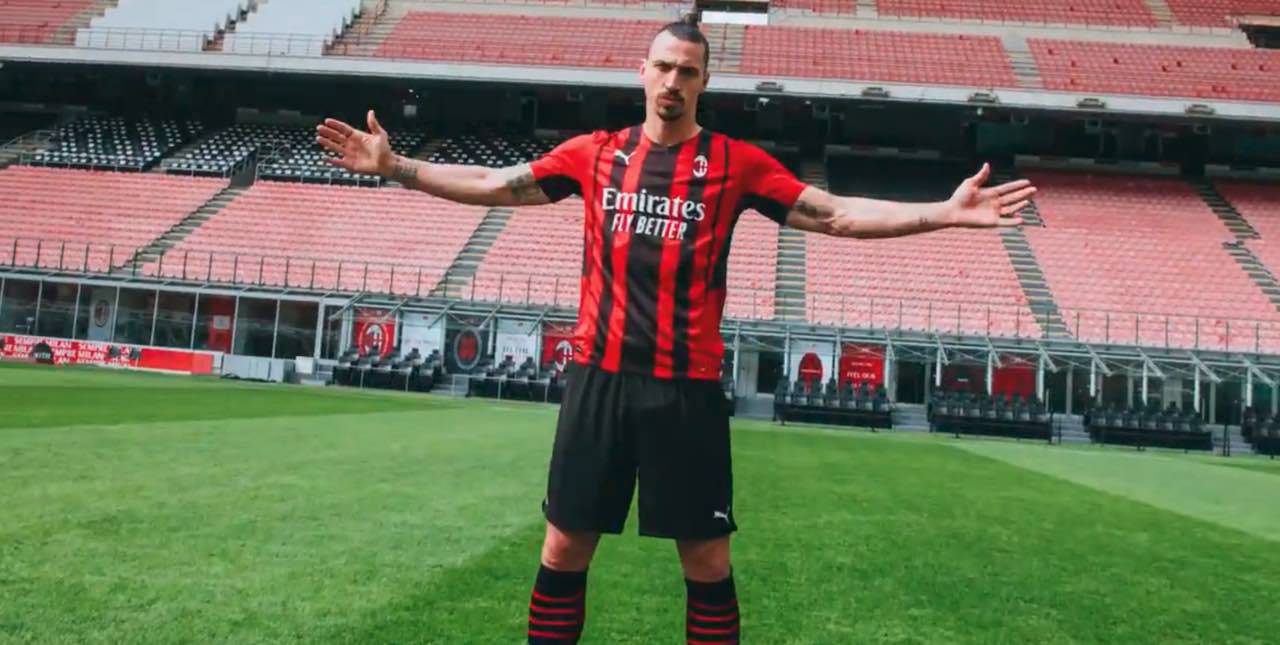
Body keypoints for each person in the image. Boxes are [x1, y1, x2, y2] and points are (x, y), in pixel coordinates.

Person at [316, 14, 1036, 644]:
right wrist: (397, 166)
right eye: (663, 67)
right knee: (563, 547)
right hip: (598, 379)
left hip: (685, 390)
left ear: (703, 83)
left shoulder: (734, 165)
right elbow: (494, 184)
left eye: (687, 72)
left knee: (708, 560)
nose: (673, 82)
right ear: (643, 72)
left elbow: (837, 214)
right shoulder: (595, 154)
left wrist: (943, 213)